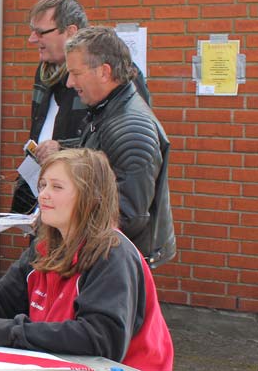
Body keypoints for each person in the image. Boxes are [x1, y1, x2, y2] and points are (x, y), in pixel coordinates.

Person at [0, 148, 173, 371]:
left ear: (92, 196)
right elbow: (3, 295)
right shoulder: (46, 245)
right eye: (42, 185)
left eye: (57, 187)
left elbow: (100, 338)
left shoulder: (112, 254)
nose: (43, 196)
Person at [47, 26, 176, 267]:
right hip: (105, 252)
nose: (69, 82)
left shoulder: (131, 127)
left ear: (104, 72)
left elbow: (128, 214)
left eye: (75, 73)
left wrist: (66, 219)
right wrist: (63, 150)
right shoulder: (107, 108)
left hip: (116, 260)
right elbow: (99, 153)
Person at [11, 0, 150, 214]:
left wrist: (62, 148)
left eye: (41, 32)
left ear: (71, 31)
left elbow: (115, 143)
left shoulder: (113, 73)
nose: (32, 39)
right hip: (48, 201)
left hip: (85, 209)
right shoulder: (45, 71)